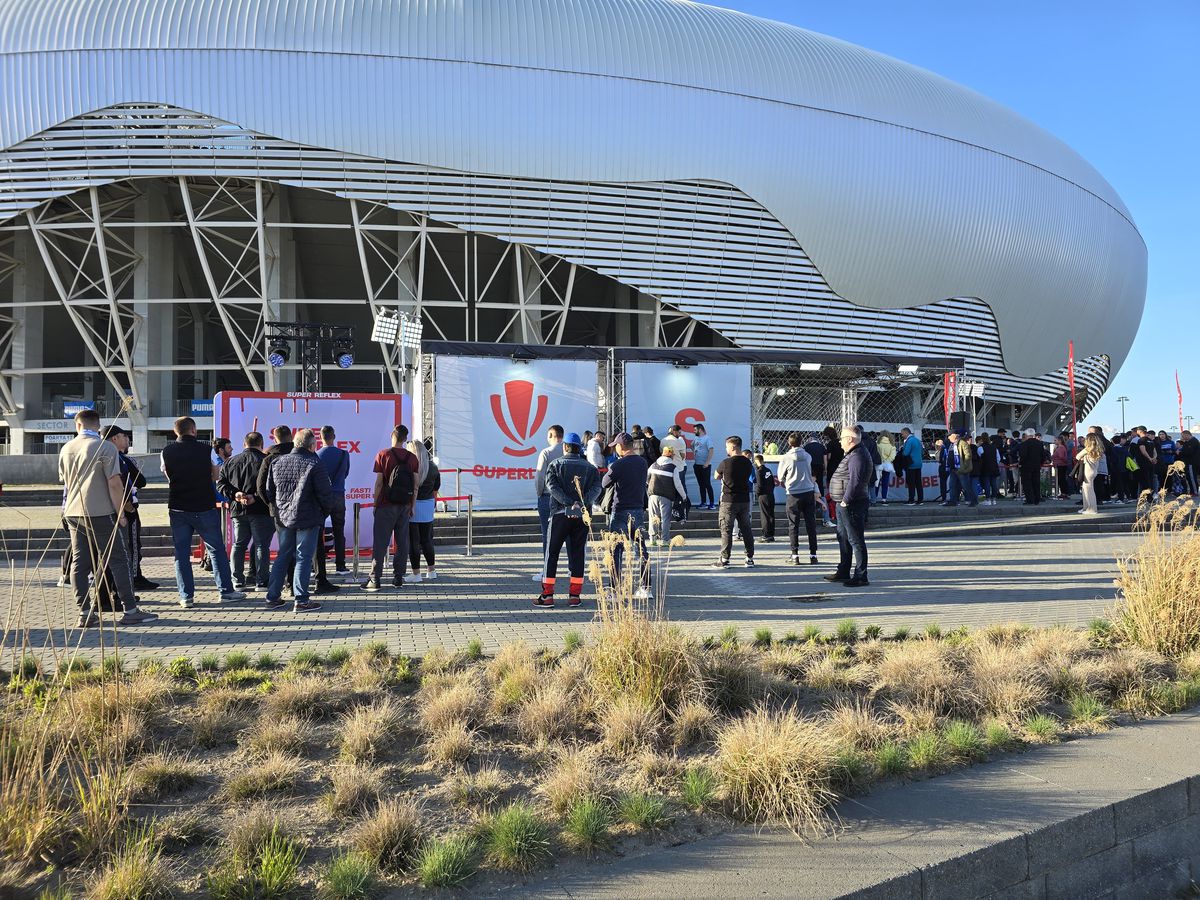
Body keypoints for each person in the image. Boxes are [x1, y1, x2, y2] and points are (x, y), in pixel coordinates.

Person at [58, 414, 158, 627]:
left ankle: (85, 613)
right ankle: (130, 610)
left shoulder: (67, 448)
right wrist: (120, 512)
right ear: (98, 426)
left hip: (74, 512)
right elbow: (114, 484)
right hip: (101, 512)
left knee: (80, 562)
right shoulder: (105, 448)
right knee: (118, 559)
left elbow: (66, 483)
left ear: (78, 425)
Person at [161, 416, 245, 608]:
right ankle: (225, 591)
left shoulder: (166, 451)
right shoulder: (207, 450)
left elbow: (168, 476)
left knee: (181, 553)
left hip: (178, 506)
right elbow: (216, 475)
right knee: (216, 549)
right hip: (204, 506)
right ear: (194, 430)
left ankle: (186, 596)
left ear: (176, 432)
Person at [262, 428, 334, 613]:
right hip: (308, 517)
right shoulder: (314, 463)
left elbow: (269, 491)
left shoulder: (277, 462)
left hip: (283, 517)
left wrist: (280, 508)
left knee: (283, 555)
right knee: (303, 557)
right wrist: (323, 513)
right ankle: (301, 600)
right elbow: (325, 494)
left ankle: (272, 597)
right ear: (312, 445)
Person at [537, 432, 602, 607]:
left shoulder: (555, 464)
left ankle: (547, 595)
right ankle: (575, 596)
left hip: (559, 515)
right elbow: (597, 488)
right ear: (579, 448)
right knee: (578, 554)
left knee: (552, 554)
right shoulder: (591, 468)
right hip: (582, 516)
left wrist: (568, 503)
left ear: (565, 447)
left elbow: (552, 487)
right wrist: (581, 502)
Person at [364, 425, 421, 592]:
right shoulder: (412, 458)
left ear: (392, 436)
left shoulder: (383, 454)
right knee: (402, 542)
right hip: (404, 505)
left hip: (385, 505)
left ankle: (375, 578)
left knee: (381, 542)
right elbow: (416, 485)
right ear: (405, 438)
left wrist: (375, 503)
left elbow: (379, 482)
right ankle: (398, 577)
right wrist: (412, 505)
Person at [217, 431, 274, 592]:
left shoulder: (229, 462)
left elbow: (220, 484)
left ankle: (238, 581)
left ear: (244, 444)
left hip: (238, 509)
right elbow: (270, 486)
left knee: (239, 544)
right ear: (261, 444)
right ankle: (262, 582)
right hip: (261, 509)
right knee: (262, 545)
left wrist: (235, 494)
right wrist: (255, 496)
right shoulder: (267, 461)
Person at [602, 432, 651, 598]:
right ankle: (646, 588)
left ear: (620, 447)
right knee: (641, 549)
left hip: (620, 510)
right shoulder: (642, 462)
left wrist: (613, 468)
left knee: (616, 550)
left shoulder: (618, 464)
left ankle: (614, 590)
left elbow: (605, 483)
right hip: (638, 509)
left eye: (615, 445)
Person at [825, 425, 871, 587]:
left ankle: (861, 575)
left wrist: (846, 500)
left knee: (855, 539)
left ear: (850, 439)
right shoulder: (853, 453)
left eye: (842, 438)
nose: (840, 442)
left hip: (852, 503)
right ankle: (844, 570)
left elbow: (856, 481)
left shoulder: (857, 456)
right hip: (844, 503)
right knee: (843, 538)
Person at [776, 433, 818, 565]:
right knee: (811, 524)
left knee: (793, 525)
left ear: (789, 443)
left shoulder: (786, 457)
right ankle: (813, 555)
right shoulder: (807, 456)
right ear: (802, 442)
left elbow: (780, 476)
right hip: (808, 492)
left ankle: (795, 556)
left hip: (793, 494)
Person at [713, 435, 754, 568]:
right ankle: (749, 558)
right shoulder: (748, 462)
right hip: (744, 500)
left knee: (726, 530)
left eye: (726, 446)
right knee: (746, 529)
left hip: (729, 500)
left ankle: (725, 559)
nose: (726, 449)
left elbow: (716, 476)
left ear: (732, 446)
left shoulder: (726, 462)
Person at [316, 425, 351, 578]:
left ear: (320, 437)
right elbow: (346, 473)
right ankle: (341, 565)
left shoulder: (315, 455)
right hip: (338, 496)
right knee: (339, 531)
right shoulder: (344, 454)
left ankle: (315, 566)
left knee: (316, 532)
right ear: (334, 436)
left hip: (321, 497)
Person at [533, 425, 565, 582]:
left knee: (548, 535)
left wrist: (539, 492)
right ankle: (573, 570)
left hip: (548, 496)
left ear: (552, 435)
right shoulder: (570, 452)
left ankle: (547, 570)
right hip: (567, 500)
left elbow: (540, 476)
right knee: (570, 535)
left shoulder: (546, 453)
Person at [408, 439, 440, 581]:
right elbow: (436, 488)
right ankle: (431, 571)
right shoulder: (433, 467)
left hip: (413, 505)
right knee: (427, 539)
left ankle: (416, 574)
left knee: (414, 541)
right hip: (428, 505)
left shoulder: (409, 467)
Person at [647, 445, 687, 546]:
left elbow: (647, 479)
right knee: (665, 518)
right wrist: (684, 496)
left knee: (653, 517)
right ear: (672, 455)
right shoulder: (673, 468)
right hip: (666, 496)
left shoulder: (653, 465)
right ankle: (665, 540)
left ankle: (652, 539)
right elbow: (678, 484)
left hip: (652, 495)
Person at [804, 432, 831, 526]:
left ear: (810, 438)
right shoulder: (821, 447)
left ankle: (811, 507)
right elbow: (825, 459)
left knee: (809, 487)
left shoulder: (806, 447)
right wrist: (826, 469)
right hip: (819, 467)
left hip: (810, 468)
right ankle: (822, 509)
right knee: (819, 487)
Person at [661, 424, 689, 502]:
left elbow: (661, 453)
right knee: (681, 487)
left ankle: (674, 505)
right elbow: (683, 456)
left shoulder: (663, 441)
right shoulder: (679, 440)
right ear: (674, 432)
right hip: (679, 467)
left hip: (667, 468)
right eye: (679, 432)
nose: (680, 434)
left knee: (671, 487)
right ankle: (683, 504)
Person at [1018, 428, 1044, 505]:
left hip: (1026, 466)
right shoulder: (1040, 444)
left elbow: (1023, 456)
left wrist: (1020, 463)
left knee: (1027, 483)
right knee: (1036, 482)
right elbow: (1043, 455)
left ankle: (1030, 499)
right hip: (1036, 466)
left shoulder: (1024, 444)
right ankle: (1037, 499)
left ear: (1026, 435)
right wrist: (1040, 463)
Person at [754, 453, 777, 542]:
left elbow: (759, 485)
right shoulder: (768, 470)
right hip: (770, 495)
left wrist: (758, 494)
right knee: (771, 515)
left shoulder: (759, 471)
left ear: (756, 461)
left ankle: (766, 535)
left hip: (763, 496)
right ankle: (771, 534)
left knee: (765, 516)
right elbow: (773, 483)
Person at [692, 423, 715, 509]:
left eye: (695, 430)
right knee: (701, 485)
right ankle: (703, 502)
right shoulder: (696, 438)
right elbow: (693, 446)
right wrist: (693, 448)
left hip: (705, 465)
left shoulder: (707, 438)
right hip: (697, 465)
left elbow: (711, 450)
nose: (694, 431)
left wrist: (707, 462)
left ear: (700, 429)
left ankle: (712, 503)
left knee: (707, 484)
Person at [899, 427, 924, 505]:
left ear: (906, 433)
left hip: (911, 464)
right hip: (919, 464)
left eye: (902, 434)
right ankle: (920, 500)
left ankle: (911, 500)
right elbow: (922, 451)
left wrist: (902, 449)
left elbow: (905, 453)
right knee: (918, 483)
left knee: (911, 483)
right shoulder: (917, 440)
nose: (902, 435)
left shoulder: (909, 441)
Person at [1130, 426, 1157, 498]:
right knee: (1150, 479)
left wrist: (1149, 458)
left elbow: (1143, 451)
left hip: (1143, 463)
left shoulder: (1141, 440)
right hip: (1151, 463)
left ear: (1139, 431)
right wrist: (1153, 458)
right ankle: (1151, 495)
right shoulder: (1151, 440)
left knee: (1145, 480)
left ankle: (1148, 497)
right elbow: (1155, 451)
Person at [977, 433, 1000, 506]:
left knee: (986, 483)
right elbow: (998, 458)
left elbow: (979, 457)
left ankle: (988, 499)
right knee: (993, 483)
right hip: (994, 467)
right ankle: (994, 499)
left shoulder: (980, 448)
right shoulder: (994, 447)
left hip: (985, 467)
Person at [876, 432, 895, 505]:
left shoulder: (877, 445)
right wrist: (886, 460)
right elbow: (892, 457)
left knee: (876, 481)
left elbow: (875, 454)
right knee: (885, 482)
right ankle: (884, 499)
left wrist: (881, 460)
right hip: (887, 465)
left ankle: (874, 498)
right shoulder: (892, 446)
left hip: (878, 465)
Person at [1178, 430, 1199, 496]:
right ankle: (1192, 491)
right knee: (1189, 477)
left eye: (1183, 436)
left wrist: (1180, 452)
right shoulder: (1188, 442)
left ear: (1187, 435)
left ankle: (1195, 492)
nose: (1182, 437)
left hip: (1192, 463)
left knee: (1192, 477)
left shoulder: (1193, 441)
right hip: (1188, 462)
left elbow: (1189, 452)